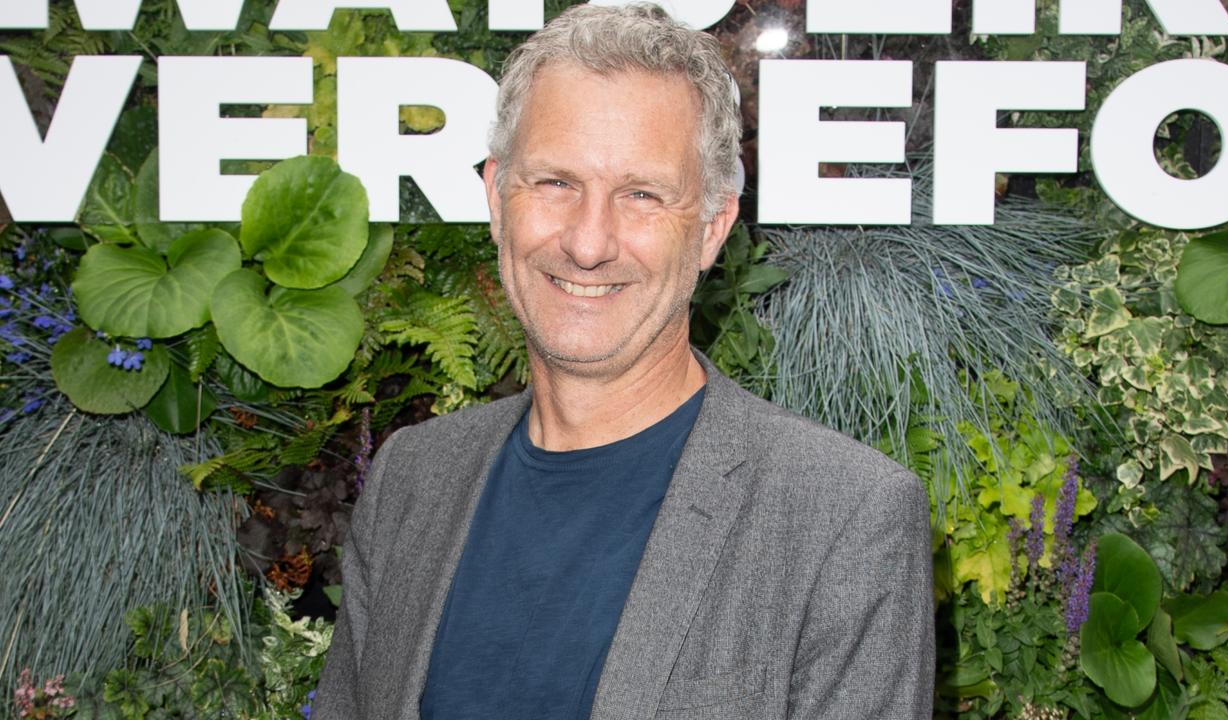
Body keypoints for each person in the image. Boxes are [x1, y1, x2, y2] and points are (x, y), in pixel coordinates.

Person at [313, 3, 934, 718]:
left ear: (710, 230)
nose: (587, 242)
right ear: (495, 198)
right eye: (555, 183)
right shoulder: (411, 479)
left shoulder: (842, 517)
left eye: (641, 195)